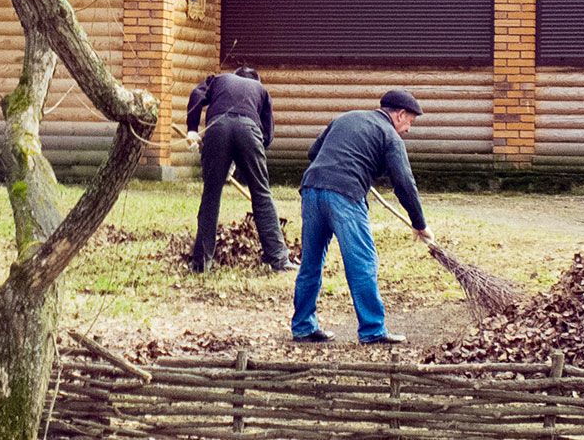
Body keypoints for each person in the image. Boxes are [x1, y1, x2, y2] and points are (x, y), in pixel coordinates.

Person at [291, 89, 433, 345]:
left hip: (311, 189)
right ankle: (372, 330)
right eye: (410, 121)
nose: (409, 129)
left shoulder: (346, 118)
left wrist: (358, 163)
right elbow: (404, 183)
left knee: (311, 262)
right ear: (400, 115)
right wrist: (419, 224)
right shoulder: (390, 136)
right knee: (363, 262)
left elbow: (314, 153)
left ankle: (303, 326)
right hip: (344, 196)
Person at [185, 66, 297, 273]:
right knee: (262, 193)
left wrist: (192, 129)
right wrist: (246, 159)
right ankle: (279, 261)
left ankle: (201, 264)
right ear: (255, 79)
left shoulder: (219, 79)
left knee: (211, 194)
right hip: (249, 130)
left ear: (235, 77)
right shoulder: (260, 89)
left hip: (216, 127)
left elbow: (196, 94)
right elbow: (267, 136)